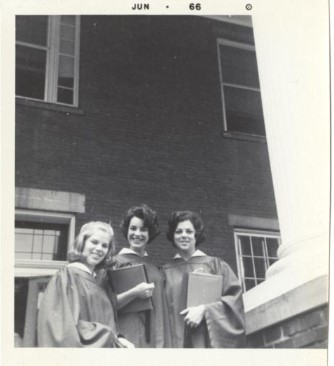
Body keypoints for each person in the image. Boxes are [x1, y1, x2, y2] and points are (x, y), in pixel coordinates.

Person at [37, 221, 134, 348]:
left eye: (105, 246)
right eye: (94, 242)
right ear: (82, 243)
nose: (99, 249)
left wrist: (119, 339)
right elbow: (61, 328)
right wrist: (109, 336)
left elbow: (108, 322)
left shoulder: (100, 282)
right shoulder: (67, 276)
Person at [162, 210, 246, 348]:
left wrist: (206, 310)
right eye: (179, 231)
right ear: (173, 235)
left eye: (189, 231)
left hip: (207, 343)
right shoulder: (164, 272)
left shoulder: (216, 265)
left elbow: (234, 301)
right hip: (175, 345)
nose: (184, 235)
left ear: (196, 235)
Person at [98, 204, 171, 348]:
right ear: (126, 230)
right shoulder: (114, 264)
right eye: (133, 228)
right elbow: (101, 306)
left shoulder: (155, 268)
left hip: (155, 339)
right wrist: (134, 293)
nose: (137, 233)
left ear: (150, 233)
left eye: (143, 229)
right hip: (127, 338)